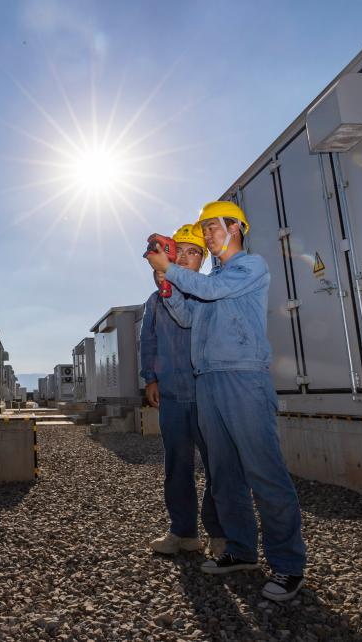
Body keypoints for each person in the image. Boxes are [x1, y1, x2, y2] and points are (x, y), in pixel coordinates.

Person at [145, 200, 307, 602]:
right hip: (207, 380)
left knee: (264, 471)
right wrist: (167, 287)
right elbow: (186, 315)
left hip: (243, 376)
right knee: (226, 474)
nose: (207, 235)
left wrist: (172, 269)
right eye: (204, 229)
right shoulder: (211, 278)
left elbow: (212, 289)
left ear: (236, 227)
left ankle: (288, 565)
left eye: (212, 227)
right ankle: (241, 550)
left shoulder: (249, 267)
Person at [140, 224, 224, 557]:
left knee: (219, 465)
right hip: (173, 395)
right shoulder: (155, 298)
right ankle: (184, 532)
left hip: (206, 393)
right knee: (177, 466)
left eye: (195, 253)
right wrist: (151, 378)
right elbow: (148, 340)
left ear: (202, 260)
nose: (188, 259)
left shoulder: (208, 290)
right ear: (172, 254)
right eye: (182, 252)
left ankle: (220, 533)